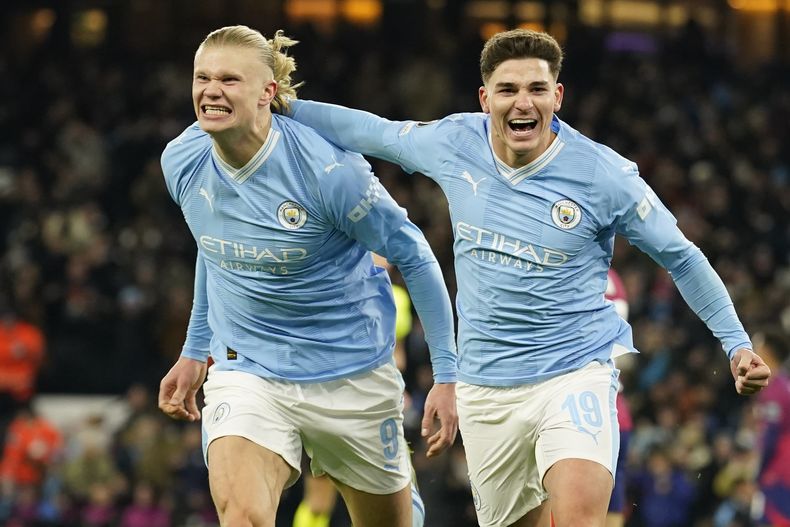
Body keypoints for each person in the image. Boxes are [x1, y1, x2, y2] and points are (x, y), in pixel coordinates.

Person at [286, 28, 772, 527]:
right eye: (508, 90)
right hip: (487, 389)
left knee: (580, 515)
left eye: (537, 89)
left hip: (573, 373)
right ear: (485, 98)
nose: (524, 102)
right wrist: (281, 106)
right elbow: (375, 133)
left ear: (557, 96)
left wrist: (735, 343)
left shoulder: (603, 174)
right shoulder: (455, 142)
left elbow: (681, 256)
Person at [156, 25, 458, 527]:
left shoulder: (330, 174)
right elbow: (216, 247)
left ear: (267, 92)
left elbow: (416, 255)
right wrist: (195, 349)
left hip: (352, 375)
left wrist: (447, 376)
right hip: (249, 370)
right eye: (202, 77)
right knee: (243, 516)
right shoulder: (182, 161)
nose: (211, 90)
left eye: (230, 79)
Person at [293, 254, 423, 527]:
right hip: (323, 395)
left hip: (374, 401)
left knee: (395, 491)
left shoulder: (397, 297)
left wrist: (398, 390)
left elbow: (397, 357)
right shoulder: (331, 286)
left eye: (385, 252)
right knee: (318, 501)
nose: (383, 257)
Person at [752, 330, 790, 526]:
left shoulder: (775, 390)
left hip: (779, 473)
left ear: (767, 352)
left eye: (756, 346)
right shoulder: (784, 385)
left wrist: (758, 471)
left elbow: (771, 435)